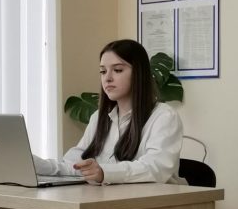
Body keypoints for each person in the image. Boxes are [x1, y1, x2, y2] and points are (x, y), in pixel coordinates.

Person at [33, 39, 184, 185]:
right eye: (103, 71)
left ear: (139, 73)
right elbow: (74, 166)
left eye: (117, 70)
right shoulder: (99, 118)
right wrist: (35, 164)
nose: (107, 78)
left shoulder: (164, 116)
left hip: (157, 200)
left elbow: (156, 168)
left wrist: (104, 172)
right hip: (110, 198)